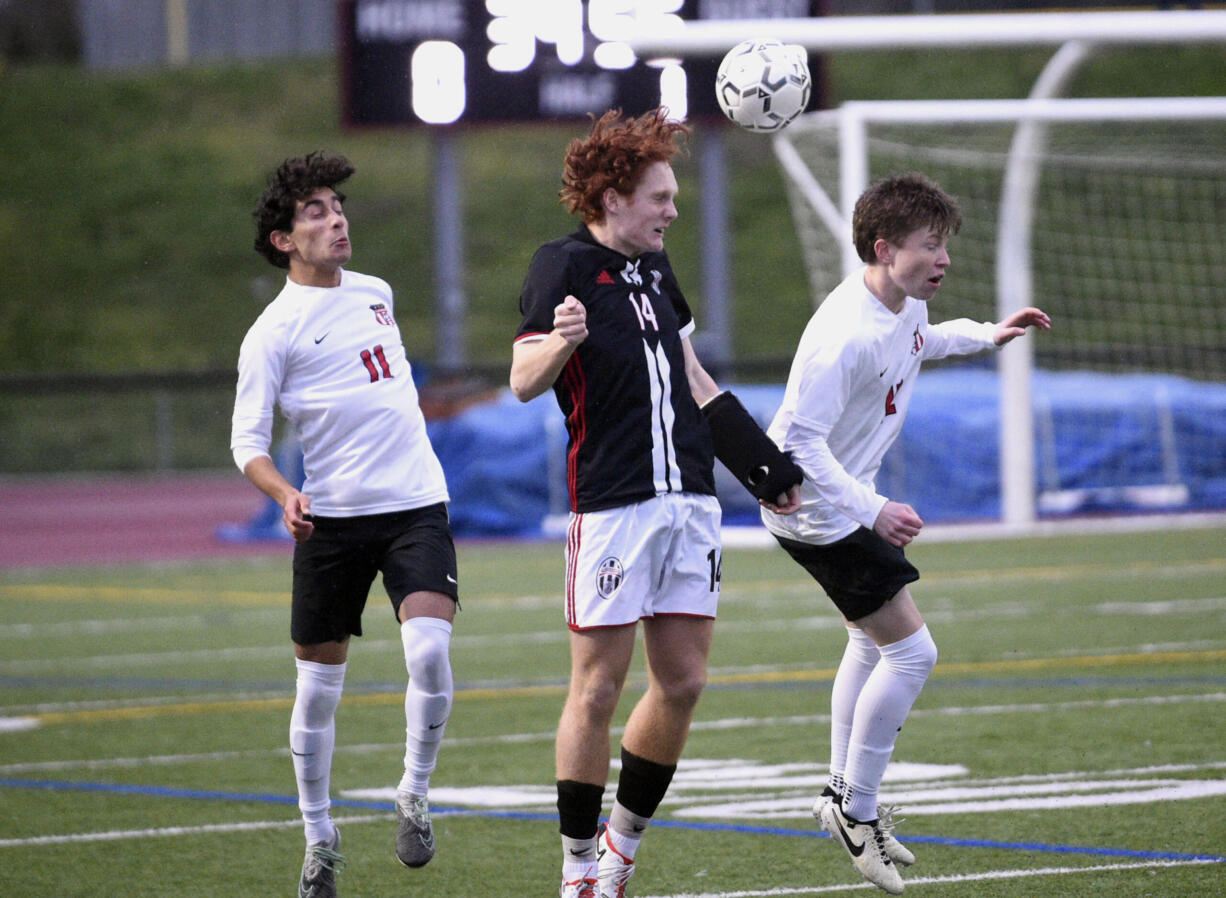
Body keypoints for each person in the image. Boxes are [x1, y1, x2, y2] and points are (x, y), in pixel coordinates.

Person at [509, 108, 803, 898]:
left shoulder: (658, 272)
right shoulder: (561, 266)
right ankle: (575, 871)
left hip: (690, 504)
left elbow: (694, 379)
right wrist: (562, 340)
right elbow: (522, 381)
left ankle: (620, 852)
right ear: (612, 198)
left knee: (682, 682)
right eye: (660, 197)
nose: (673, 210)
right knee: (598, 686)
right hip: (613, 505)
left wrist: (762, 464)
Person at [760, 172, 1051, 894]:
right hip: (818, 510)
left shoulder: (899, 305)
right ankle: (855, 810)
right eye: (930, 245)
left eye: (945, 244)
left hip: (834, 507)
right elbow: (799, 445)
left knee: (871, 642)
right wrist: (872, 510)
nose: (943, 258)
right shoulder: (843, 336)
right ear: (886, 249)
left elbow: (924, 340)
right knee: (915, 654)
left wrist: (990, 333)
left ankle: (841, 796)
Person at [232, 151, 459, 898]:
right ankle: (320, 838)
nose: (336, 221)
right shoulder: (271, 333)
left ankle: (413, 795)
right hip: (330, 522)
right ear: (282, 241)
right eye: (316, 214)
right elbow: (247, 444)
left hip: (415, 507)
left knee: (427, 651)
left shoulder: (376, 292)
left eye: (337, 207)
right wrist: (283, 495)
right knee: (317, 693)